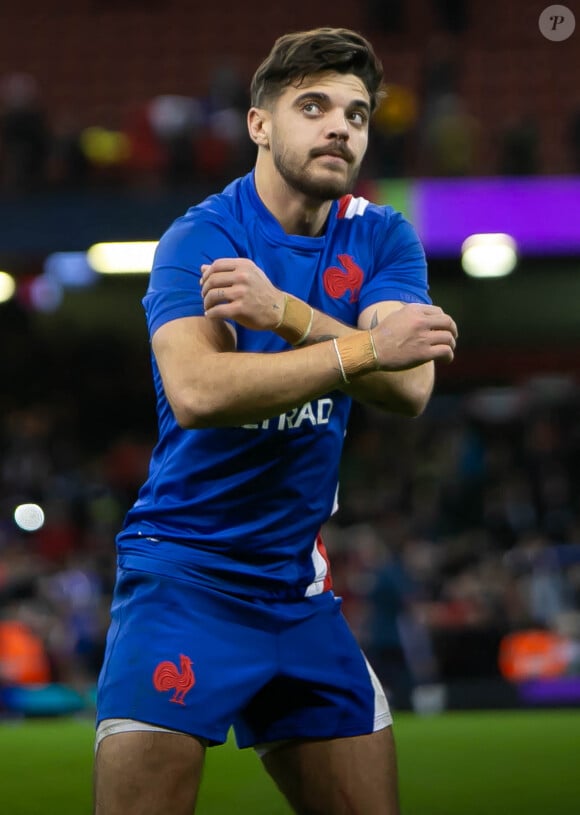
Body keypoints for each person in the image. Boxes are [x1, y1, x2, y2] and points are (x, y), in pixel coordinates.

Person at [93, 27, 457, 815]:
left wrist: (287, 314)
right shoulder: (203, 236)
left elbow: (410, 386)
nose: (340, 127)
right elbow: (199, 389)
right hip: (184, 577)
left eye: (357, 115)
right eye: (314, 106)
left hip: (297, 591)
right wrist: (361, 345)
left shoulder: (381, 232)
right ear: (260, 124)